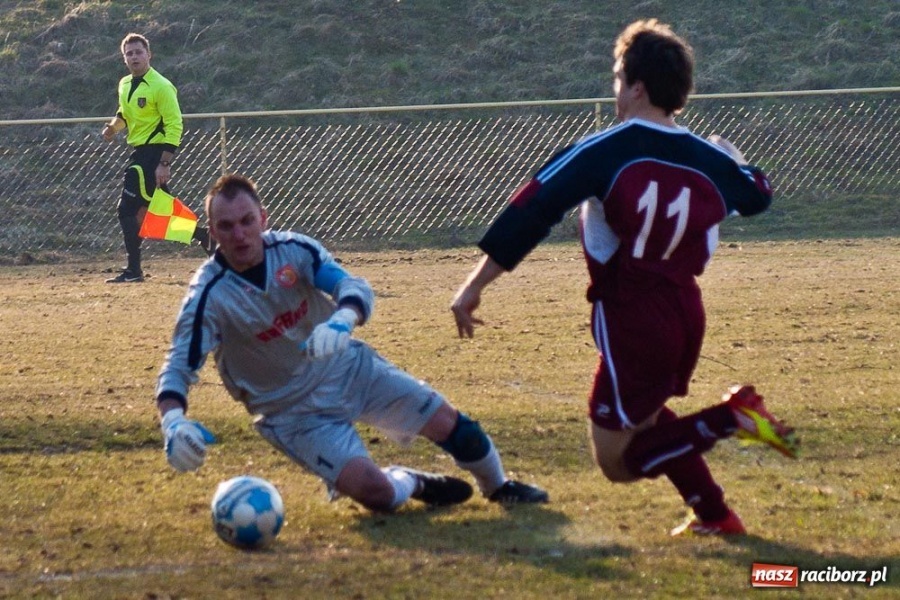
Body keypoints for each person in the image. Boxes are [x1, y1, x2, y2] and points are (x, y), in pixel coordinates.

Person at [450, 19, 799, 536]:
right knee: (648, 417)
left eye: (618, 78)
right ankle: (715, 515)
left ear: (637, 87)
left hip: (632, 317)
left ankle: (732, 418)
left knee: (617, 461)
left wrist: (474, 285)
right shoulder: (708, 160)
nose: (615, 88)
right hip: (685, 312)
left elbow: (530, 211)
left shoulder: (605, 150)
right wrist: (739, 164)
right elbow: (758, 195)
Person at [155, 174, 548, 512]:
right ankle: (410, 481)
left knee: (457, 429)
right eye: (226, 226)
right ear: (212, 231)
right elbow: (178, 367)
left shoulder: (294, 250)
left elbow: (351, 286)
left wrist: (343, 319)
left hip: (347, 368)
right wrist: (173, 421)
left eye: (247, 221)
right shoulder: (208, 295)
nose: (239, 235)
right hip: (289, 412)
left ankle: (499, 487)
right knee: (378, 495)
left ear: (263, 218)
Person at [101, 32, 212, 284]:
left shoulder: (161, 86)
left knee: (126, 210)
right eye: (129, 53)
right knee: (158, 208)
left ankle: (134, 271)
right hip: (139, 153)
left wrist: (164, 163)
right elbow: (124, 114)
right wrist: (112, 128)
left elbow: (174, 124)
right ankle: (205, 237)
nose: (134, 57)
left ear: (149, 55)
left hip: (153, 155)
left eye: (139, 52)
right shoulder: (124, 84)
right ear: (124, 58)